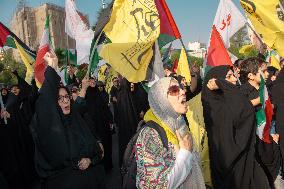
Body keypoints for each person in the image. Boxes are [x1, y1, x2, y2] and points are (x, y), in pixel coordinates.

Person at [31, 51, 105, 189]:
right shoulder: (50, 127)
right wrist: (51, 69)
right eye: (60, 98)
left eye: (67, 97)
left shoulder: (75, 120)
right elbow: (44, 104)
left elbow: (95, 150)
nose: (65, 101)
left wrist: (90, 160)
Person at [202, 65, 270, 189]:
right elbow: (244, 109)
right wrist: (222, 84)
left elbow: (243, 106)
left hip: (245, 160)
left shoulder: (229, 99)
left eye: (233, 75)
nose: (234, 79)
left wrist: (223, 84)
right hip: (230, 168)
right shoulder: (215, 106)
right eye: (229, 76)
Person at [136, 77, 205, 188]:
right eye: (174, 90)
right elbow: (156, 186)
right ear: (161, 99)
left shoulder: (180, 123)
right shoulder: (150, 135)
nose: (183, 91)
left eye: (181, 87)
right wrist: (185, 154)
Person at [239, 58, 281, 187]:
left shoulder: (267, 88)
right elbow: (240, 112)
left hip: (271, 141)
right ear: (250, 75)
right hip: (256, 146)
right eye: (262, 71)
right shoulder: (242, 92)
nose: (267, 74)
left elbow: (272, 111)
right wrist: (259, 100)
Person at [85, 78, 114, 173]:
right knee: (98, 148)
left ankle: (108, 166)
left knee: (107, 145)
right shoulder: (86, 95)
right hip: (94, 127)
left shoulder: (99, 94)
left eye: (94, 81)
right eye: (90, 81)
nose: (92, 83)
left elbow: (105, 108)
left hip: (104, 126)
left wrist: (110, 120)